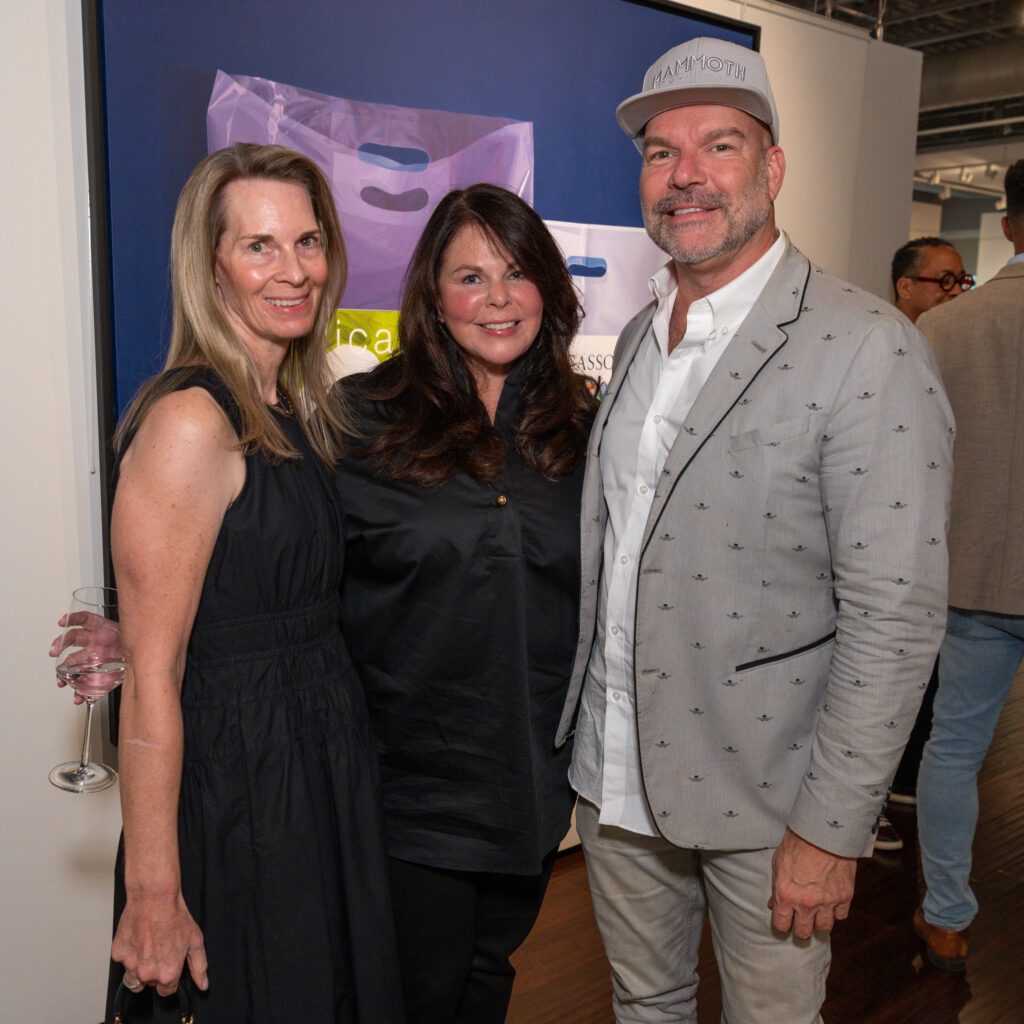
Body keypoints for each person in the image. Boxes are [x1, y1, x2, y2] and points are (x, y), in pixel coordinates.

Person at [555, 36, 955, 1022]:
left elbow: (894, 619)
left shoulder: (866, 348)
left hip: (773, 799)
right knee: (643, 1001)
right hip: (617, 772)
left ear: (771, 168)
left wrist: (830, 829)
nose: (684, 174)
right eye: (659, 151)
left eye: (718, 145)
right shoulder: (645, 331)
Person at [94, 143, 402, 1022]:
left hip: (310, 778)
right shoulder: (194, 418)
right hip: (239, 794)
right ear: (211, 265)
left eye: (308, 242)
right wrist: (153, 891)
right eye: (259, 246)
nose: (293, 269)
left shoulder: (292, 410)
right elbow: (153, 678)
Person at [334, 182, 597, 1023]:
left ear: (548, 293)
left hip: (528, 780)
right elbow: (282, 564)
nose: (496, 299)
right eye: (469, 276)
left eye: (516, 273)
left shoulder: (584, 430)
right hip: (409, 788)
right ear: (432, 297)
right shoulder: (361, 421)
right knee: (418, 992)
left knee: (490, 976)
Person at [913, 159, 1024, 972]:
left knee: (952, 748)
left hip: (975, 572)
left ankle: (947, 915)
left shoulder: (943, 330)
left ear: (1010, 225)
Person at [877, 237, 970, 851]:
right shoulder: (878, 348)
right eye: (943, 280)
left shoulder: (955, 342)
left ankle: (904, 780)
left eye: (960, 279)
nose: (954, 291)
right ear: (906, 286)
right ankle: (867, 807)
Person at [891, 236, 973, 324]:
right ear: (905, 288)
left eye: (960, 281)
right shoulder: (882, 334)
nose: (958, 291)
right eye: (945, 281)